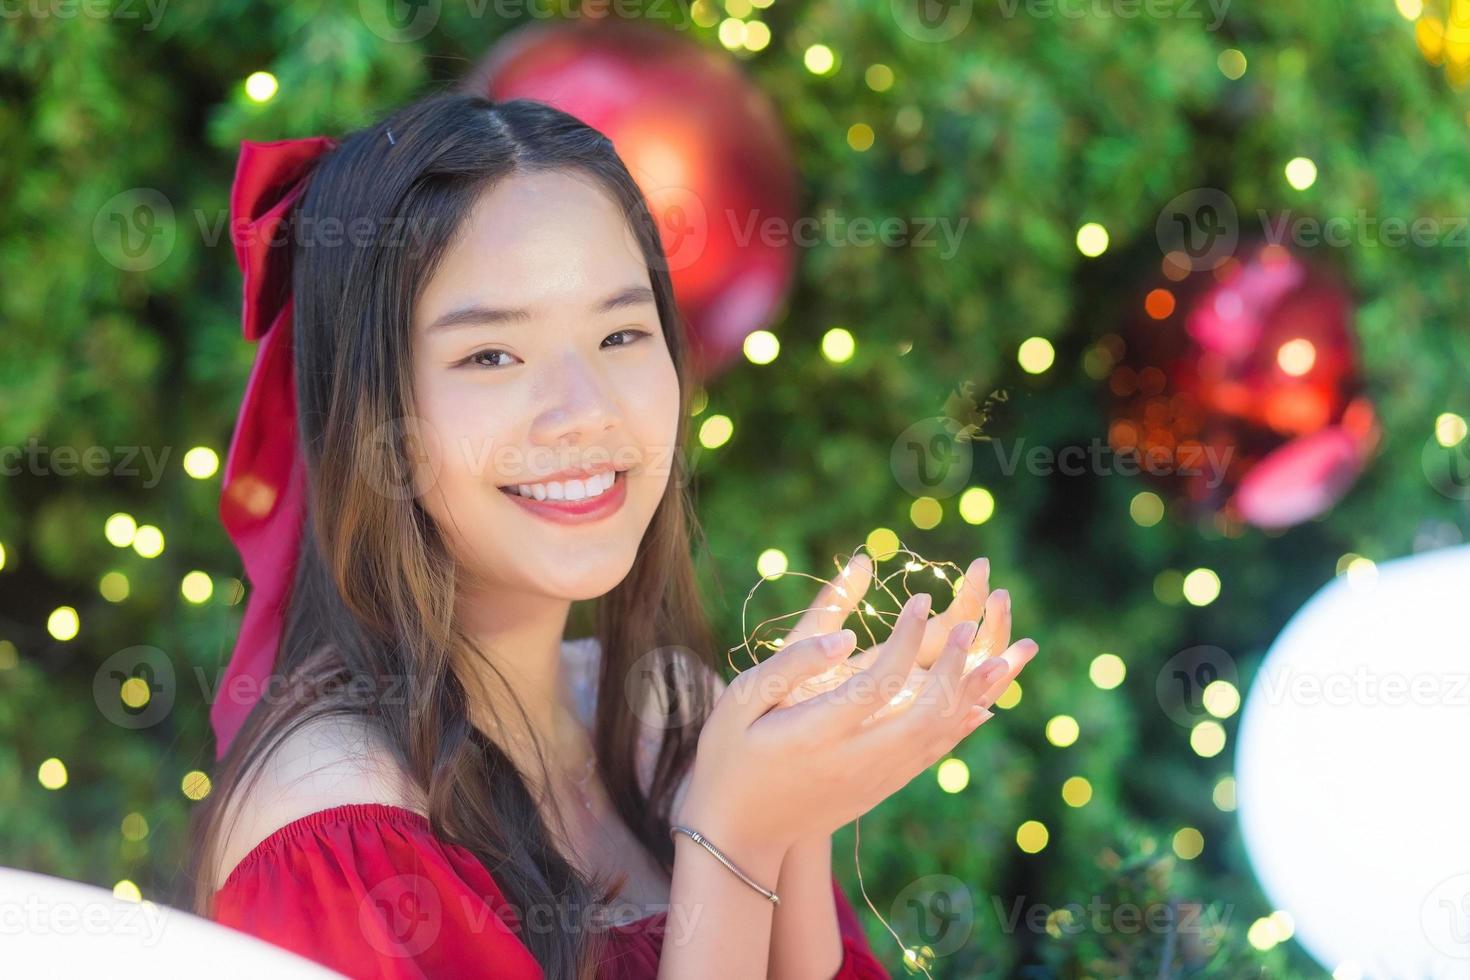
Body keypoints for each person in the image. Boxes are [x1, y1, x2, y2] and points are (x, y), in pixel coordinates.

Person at [189, 90, 1040, 980]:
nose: (585, 411)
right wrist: (736, 839)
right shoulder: (337, 836)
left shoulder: (664, 716)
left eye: (622, 333)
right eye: (491, 355)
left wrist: (796, 812)